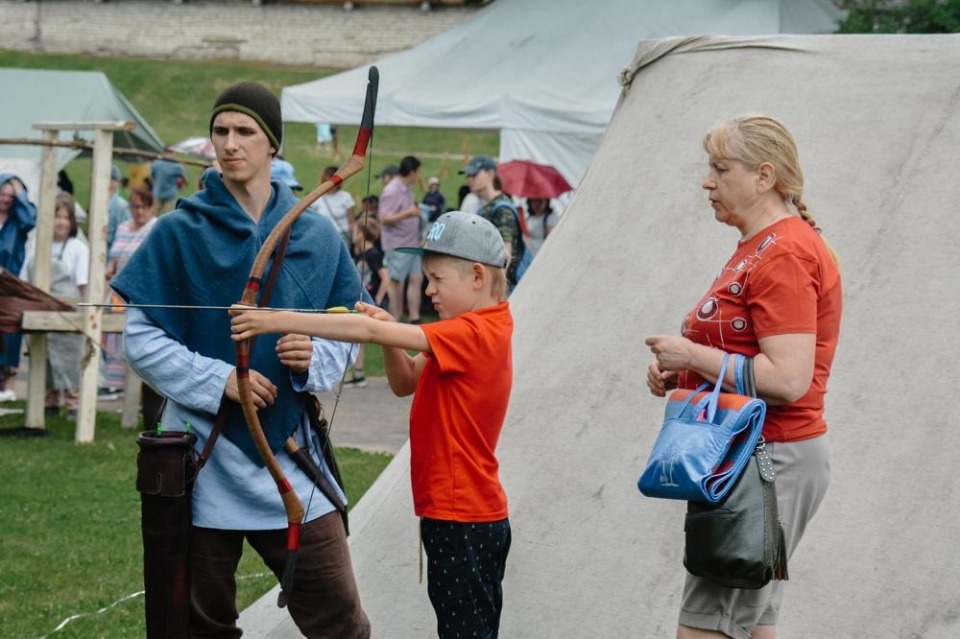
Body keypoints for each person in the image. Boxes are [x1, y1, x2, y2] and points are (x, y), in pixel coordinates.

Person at [111, 81, 370, 638]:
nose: (230, 144)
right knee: (200, 627)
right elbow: (141, 339)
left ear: (272, 143)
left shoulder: (315, 234)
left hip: (291, 459)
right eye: (220, 131)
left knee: (342, 625)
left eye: (245, 131)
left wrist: (316, 353)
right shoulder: (178, 231)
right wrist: (221, 380)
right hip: (200, 463)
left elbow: (356, 325)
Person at [230, 210, 514, 639]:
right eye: (427, 279)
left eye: (437, 279)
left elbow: (364, 332)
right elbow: (404, 382)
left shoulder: (475, 333)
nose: (429, 290)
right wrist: (388, 332)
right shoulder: (470, 331)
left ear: (477, 276)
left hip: (464, 519)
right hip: (461, 516)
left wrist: (272, 320)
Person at [644, 114, 841, 639]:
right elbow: (747, 355)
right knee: (751, 623)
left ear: (764, 175)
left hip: (766, 459)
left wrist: (693, 355)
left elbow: (788, 379)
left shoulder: (785, 252)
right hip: (756, 457)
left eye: (720, 168)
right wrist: (685, 373)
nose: (707, 182)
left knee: (706, 624)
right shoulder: (762, 246)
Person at [20, 193, 89, 420]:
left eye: (65, 217)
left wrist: (85, 315)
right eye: (56, 216)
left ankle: (74, 402)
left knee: (70, 360)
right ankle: (49, 401)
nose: (60, 222)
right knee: (46, 358)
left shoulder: (78, 248)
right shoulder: (37, 246)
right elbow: (25, 279)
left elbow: (83, 286)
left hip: (69, 313)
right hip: (42, 310)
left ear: (72, 221)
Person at [100, 186, 158, 396]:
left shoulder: (155, 227)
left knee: (131, 333)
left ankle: (128, 386)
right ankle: (111, 382)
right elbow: (114, 258)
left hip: (140, 291)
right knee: (111, 335)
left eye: (143, 207)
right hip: (117, 290)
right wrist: (109, 270)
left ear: (150, 207)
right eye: (135, 207)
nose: (139, 211)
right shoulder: (123, 228)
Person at [462, 155, 527, 290]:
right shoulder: (485, 208)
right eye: (468, 175)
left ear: (490, 174)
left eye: (474, 174)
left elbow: (505, 255)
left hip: (500, 287)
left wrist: (493, 290)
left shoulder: (502, 208)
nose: (470, 179)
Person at [0, 173, 37, 402]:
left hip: (9, 286)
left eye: (10, 196)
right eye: (2, 194)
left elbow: (31, 218)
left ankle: (8, 388)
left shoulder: (17, 223)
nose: (5, 199)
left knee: (10, 335)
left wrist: (19, 189)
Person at [345, 216, 390, 388]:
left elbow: (385, 278)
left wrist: (378, 299)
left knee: (385, 339)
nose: (353, 234)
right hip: (363, 303)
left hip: (374, 304)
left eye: (356, 231)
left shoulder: (373, 254)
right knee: (357, 337)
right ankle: (358, 373)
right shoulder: (359, 254)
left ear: (362, 234)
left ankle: (393, 373)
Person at [379, 155, 424, 323]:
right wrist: (407, 214)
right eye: (418, 172)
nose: (420, 176)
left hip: (412, 242)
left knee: (416, 278)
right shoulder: (392, 190)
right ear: (411, 172)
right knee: (396, 281)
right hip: (397, 244)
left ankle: (414, 317)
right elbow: (384, 219)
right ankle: (394, 317)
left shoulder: (407, 189)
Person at [313, 165, 356, 249]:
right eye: (330, 178)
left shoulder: (346, 196)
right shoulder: (317, 197)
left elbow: (352, 222)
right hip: (323, 236)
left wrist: (355, 238)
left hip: (342, 237)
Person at [107, 164, 132, 253]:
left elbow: (126, 235)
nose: (111, 183)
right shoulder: (97, 202)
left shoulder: (121, 206)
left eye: (113, 180)